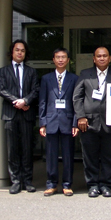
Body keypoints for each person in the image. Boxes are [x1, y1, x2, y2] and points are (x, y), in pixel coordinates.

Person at [72, 46, 111, 198]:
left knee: (110, 157)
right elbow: (77, 97)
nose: (102, 58)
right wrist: (81, 117)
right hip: (88, 123)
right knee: (90, 156)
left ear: (110, 58)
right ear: (94, 59)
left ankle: (107, 185)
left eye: (105, 56)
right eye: (99, 56)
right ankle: (93, 185)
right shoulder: (85, 74)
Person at [0, 39, 39, 194]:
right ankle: (15, 181)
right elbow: (1, 90)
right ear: (12, 52)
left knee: (27, 148)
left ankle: (28, 181)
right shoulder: (3, 71)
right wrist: (17, 102)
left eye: (22, 50)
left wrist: (26, 101)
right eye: (17, 50)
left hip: (27, 114)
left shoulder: (32, 71)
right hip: (10, 114)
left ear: (25, 53)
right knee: (13, 149)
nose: (20, 52)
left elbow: (35, 90)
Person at [39, 48, 79, 197]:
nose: (61, 60)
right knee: (51, 155)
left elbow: (76, 103)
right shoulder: (46, 79)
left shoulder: (74, 79)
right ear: (54, 60)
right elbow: (42, 101)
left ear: (68, 60)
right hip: (51, 121)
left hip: (68, 121)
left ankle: (67, 184)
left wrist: (75, 123)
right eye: (58, 57)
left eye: (64, 57)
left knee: (68, 155)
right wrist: (42, 122)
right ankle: (51, 184)